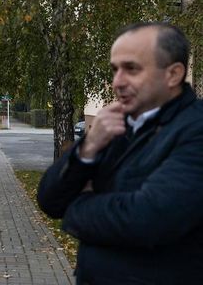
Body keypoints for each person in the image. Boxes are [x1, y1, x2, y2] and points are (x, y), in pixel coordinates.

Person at [38, 22, 203, 284]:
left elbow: (148, 220)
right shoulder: (114, 125)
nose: (117, 82)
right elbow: (49, 199)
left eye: (131, 69)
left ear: (173, 74)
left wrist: (76, 206)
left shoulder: (194, 129)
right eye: (115, 70)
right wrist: (90, 146)